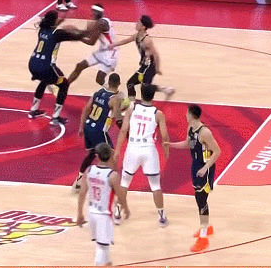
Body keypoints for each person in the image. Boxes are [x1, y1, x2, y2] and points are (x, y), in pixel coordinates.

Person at [165, 104, 221, 252]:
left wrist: (205, 168)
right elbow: (188, 144)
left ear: (190, 115)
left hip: (204, 168)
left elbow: (217, 151)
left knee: (201, 200)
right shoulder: (191, 128)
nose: (185, 115)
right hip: (196, 165)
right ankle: (207, 227)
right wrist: (171, 145)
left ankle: (204, 237)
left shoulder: (205, 132)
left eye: (186, 113)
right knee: (199, 198)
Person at [114, 84, 170, 227]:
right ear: (153, 96)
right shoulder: (158, 114)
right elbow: (165, 136)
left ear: (141, 94)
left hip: (133, 148)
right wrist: (166, 151)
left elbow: (123, 131)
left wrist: (118, 150)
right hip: (148, 149)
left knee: (124, 182)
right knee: (155, 185)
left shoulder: (132, 109)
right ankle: (162, 217)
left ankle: (117, 213)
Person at [27, 10, 90, 125]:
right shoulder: (58, 33)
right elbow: (77, 37)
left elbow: (52, 29)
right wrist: (83, 30)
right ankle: (55, 117)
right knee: (64, 84)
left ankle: (33, 110)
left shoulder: (42, 29)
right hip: (46, 66)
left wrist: (61, 20)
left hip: (33, 64)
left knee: (44, 81)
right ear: (54, 20)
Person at [76, 143, 130, 266]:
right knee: (102, 248)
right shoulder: (113, 176)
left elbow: (82, 193)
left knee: (104, 250)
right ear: (110, 155)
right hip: (104, 216)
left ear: (97, 156)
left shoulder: (89, 170)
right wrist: (126, 209)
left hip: (91, 213)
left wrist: (79, 214)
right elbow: (121, 196)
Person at [73, 74, 126, 192]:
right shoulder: (115, 99)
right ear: (119, 84)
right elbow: (118, 119)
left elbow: (86, 109)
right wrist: (126, 131)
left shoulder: (98, 93)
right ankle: (114, 186)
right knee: (111, 155)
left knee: (92, 154)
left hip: (88, 126)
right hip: (99, 130)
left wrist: (81, 127)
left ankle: (79, 181)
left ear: (109, 82)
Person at [107, 15, 175, 101]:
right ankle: (166, 90)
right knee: (134, 84)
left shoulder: (147, 40)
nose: (136, 24)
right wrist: (113, 45)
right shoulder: (137, 36)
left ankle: (132, 103)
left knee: (139, 86)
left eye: (139, 23)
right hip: (144, 66)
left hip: (150, 67)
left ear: (143, 27)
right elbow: (126, 41)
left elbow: (156, 55)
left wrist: (157, 69)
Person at [68, 4, 119, 86]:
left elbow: (91, 42)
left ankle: (113, 91)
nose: (92, 14)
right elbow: (88, 34)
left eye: (94, 12)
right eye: (92, 11)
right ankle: (65, 86)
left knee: (99, 79)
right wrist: (75, 31)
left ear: (99, 13)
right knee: (80, 66)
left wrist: (76, 36)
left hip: (110, 54)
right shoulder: (101, 22)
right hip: (102, 51)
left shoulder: (101, 23)